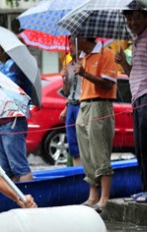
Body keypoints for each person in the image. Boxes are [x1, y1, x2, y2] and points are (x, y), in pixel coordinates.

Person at [116, 9, 147, 204]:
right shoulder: (137, 41)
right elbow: (134, 74)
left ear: (146, 17)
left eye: (136, 17)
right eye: (129, 18)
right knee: (141, 147)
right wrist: (124, 64)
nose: (132, 22)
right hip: (138, 99)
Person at [73, 37, 118, 213]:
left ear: (83, 37)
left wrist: (84, 73)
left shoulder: (107, 53)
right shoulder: (82, 57)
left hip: (100, 105)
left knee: (100, 151)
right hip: (83, 105)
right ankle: (92, 195)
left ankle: (104, 197)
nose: (72, 43)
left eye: (73, 39)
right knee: (86, 153)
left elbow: (108, 84)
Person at [0, 38, 34, 182]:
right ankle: (16, 199)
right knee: (6, 169)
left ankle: (28, 198)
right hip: (1, 121)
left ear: (4, 48)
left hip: (13, 120)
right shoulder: (0, 67)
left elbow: (10, 87)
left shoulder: (15, 66)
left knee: (19, 167)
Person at [59, 36, 83, 166]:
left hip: (81, 105)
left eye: (73, 44)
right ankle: (76, 168)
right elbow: (67, 92)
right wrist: (65, 79)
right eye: (70, 44)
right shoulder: (69, 65)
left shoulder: (85, 62)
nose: (71, 47)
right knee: (72, 143)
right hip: (71, 106)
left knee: (83, 142)